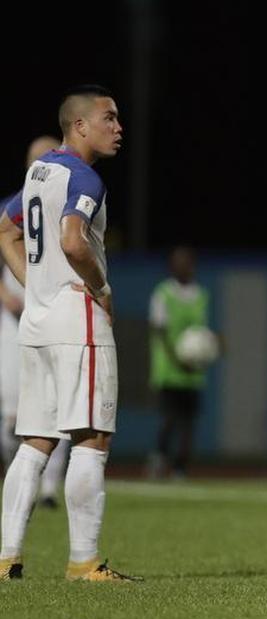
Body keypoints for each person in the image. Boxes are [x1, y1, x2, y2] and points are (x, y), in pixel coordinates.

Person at [0, 85, 135, 581]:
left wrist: (36, 283)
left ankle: (6, 557)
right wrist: (100, 288)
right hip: (77, 320)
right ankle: (84, 562)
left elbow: (4, 229)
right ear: (79, 125)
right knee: (92, 437)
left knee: (35, 441)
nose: (119, 128)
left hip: (37, 321)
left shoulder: (40, 172)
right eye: (109, 118)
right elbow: (73, 240)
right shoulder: (85, 177)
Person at [0, 136, 69, 509]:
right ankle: (19, 474)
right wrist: (8, 294)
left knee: (62, 407)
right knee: (13, 413)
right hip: (14, 322)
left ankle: (48, 490)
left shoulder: (69, 202)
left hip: (58, 316)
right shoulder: (11, 207)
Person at [147, 246, 209, 480]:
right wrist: (177, 360)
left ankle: (180, 468)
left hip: (193, 372)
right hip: (168, 371)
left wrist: (207, 351)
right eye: (177, 262)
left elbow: (200, 334)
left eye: (186, 262)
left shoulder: (201, 294)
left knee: (189, 424)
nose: (182, 266)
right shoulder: (163, 293)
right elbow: (159, 331)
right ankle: (158, 458)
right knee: (169, 420)